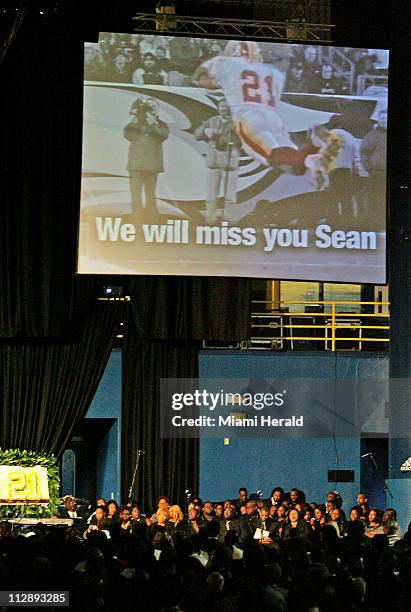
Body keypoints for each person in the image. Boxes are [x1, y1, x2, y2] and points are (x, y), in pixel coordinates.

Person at [192, 40, 341, 191]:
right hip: (273, 119)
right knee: (295, 166)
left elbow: (199, 78)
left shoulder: (225, 63)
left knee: (274, 156)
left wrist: (217, 81)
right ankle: (315, 143)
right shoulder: (273, 72)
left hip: (250, 119)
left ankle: (312, 160)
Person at [194, 98, 242, 223]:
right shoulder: (212, 121)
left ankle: (229, 220)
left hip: (230, 162)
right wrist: (204, 131)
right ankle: (210, 219)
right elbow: (196, 134)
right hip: (213, 162)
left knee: (230, 196)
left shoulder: (237, 123)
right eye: (221, 106)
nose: (224, 109)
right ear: (218, 108)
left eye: (226, 107)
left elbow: (245, 141)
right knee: (211, 195)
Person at [123, 97, 169, 221]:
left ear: (157, 109)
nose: (150, 108)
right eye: (148, 106)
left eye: (153, 106)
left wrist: (152, 124)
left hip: (152, 165)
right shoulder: (136, 122)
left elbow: (161, 137)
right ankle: (136, 219)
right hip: (136, 165)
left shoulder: (161, 124)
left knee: (150, 195)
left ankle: (153, 219)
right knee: (135, 195)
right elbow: (128, 136)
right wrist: (137, 120)